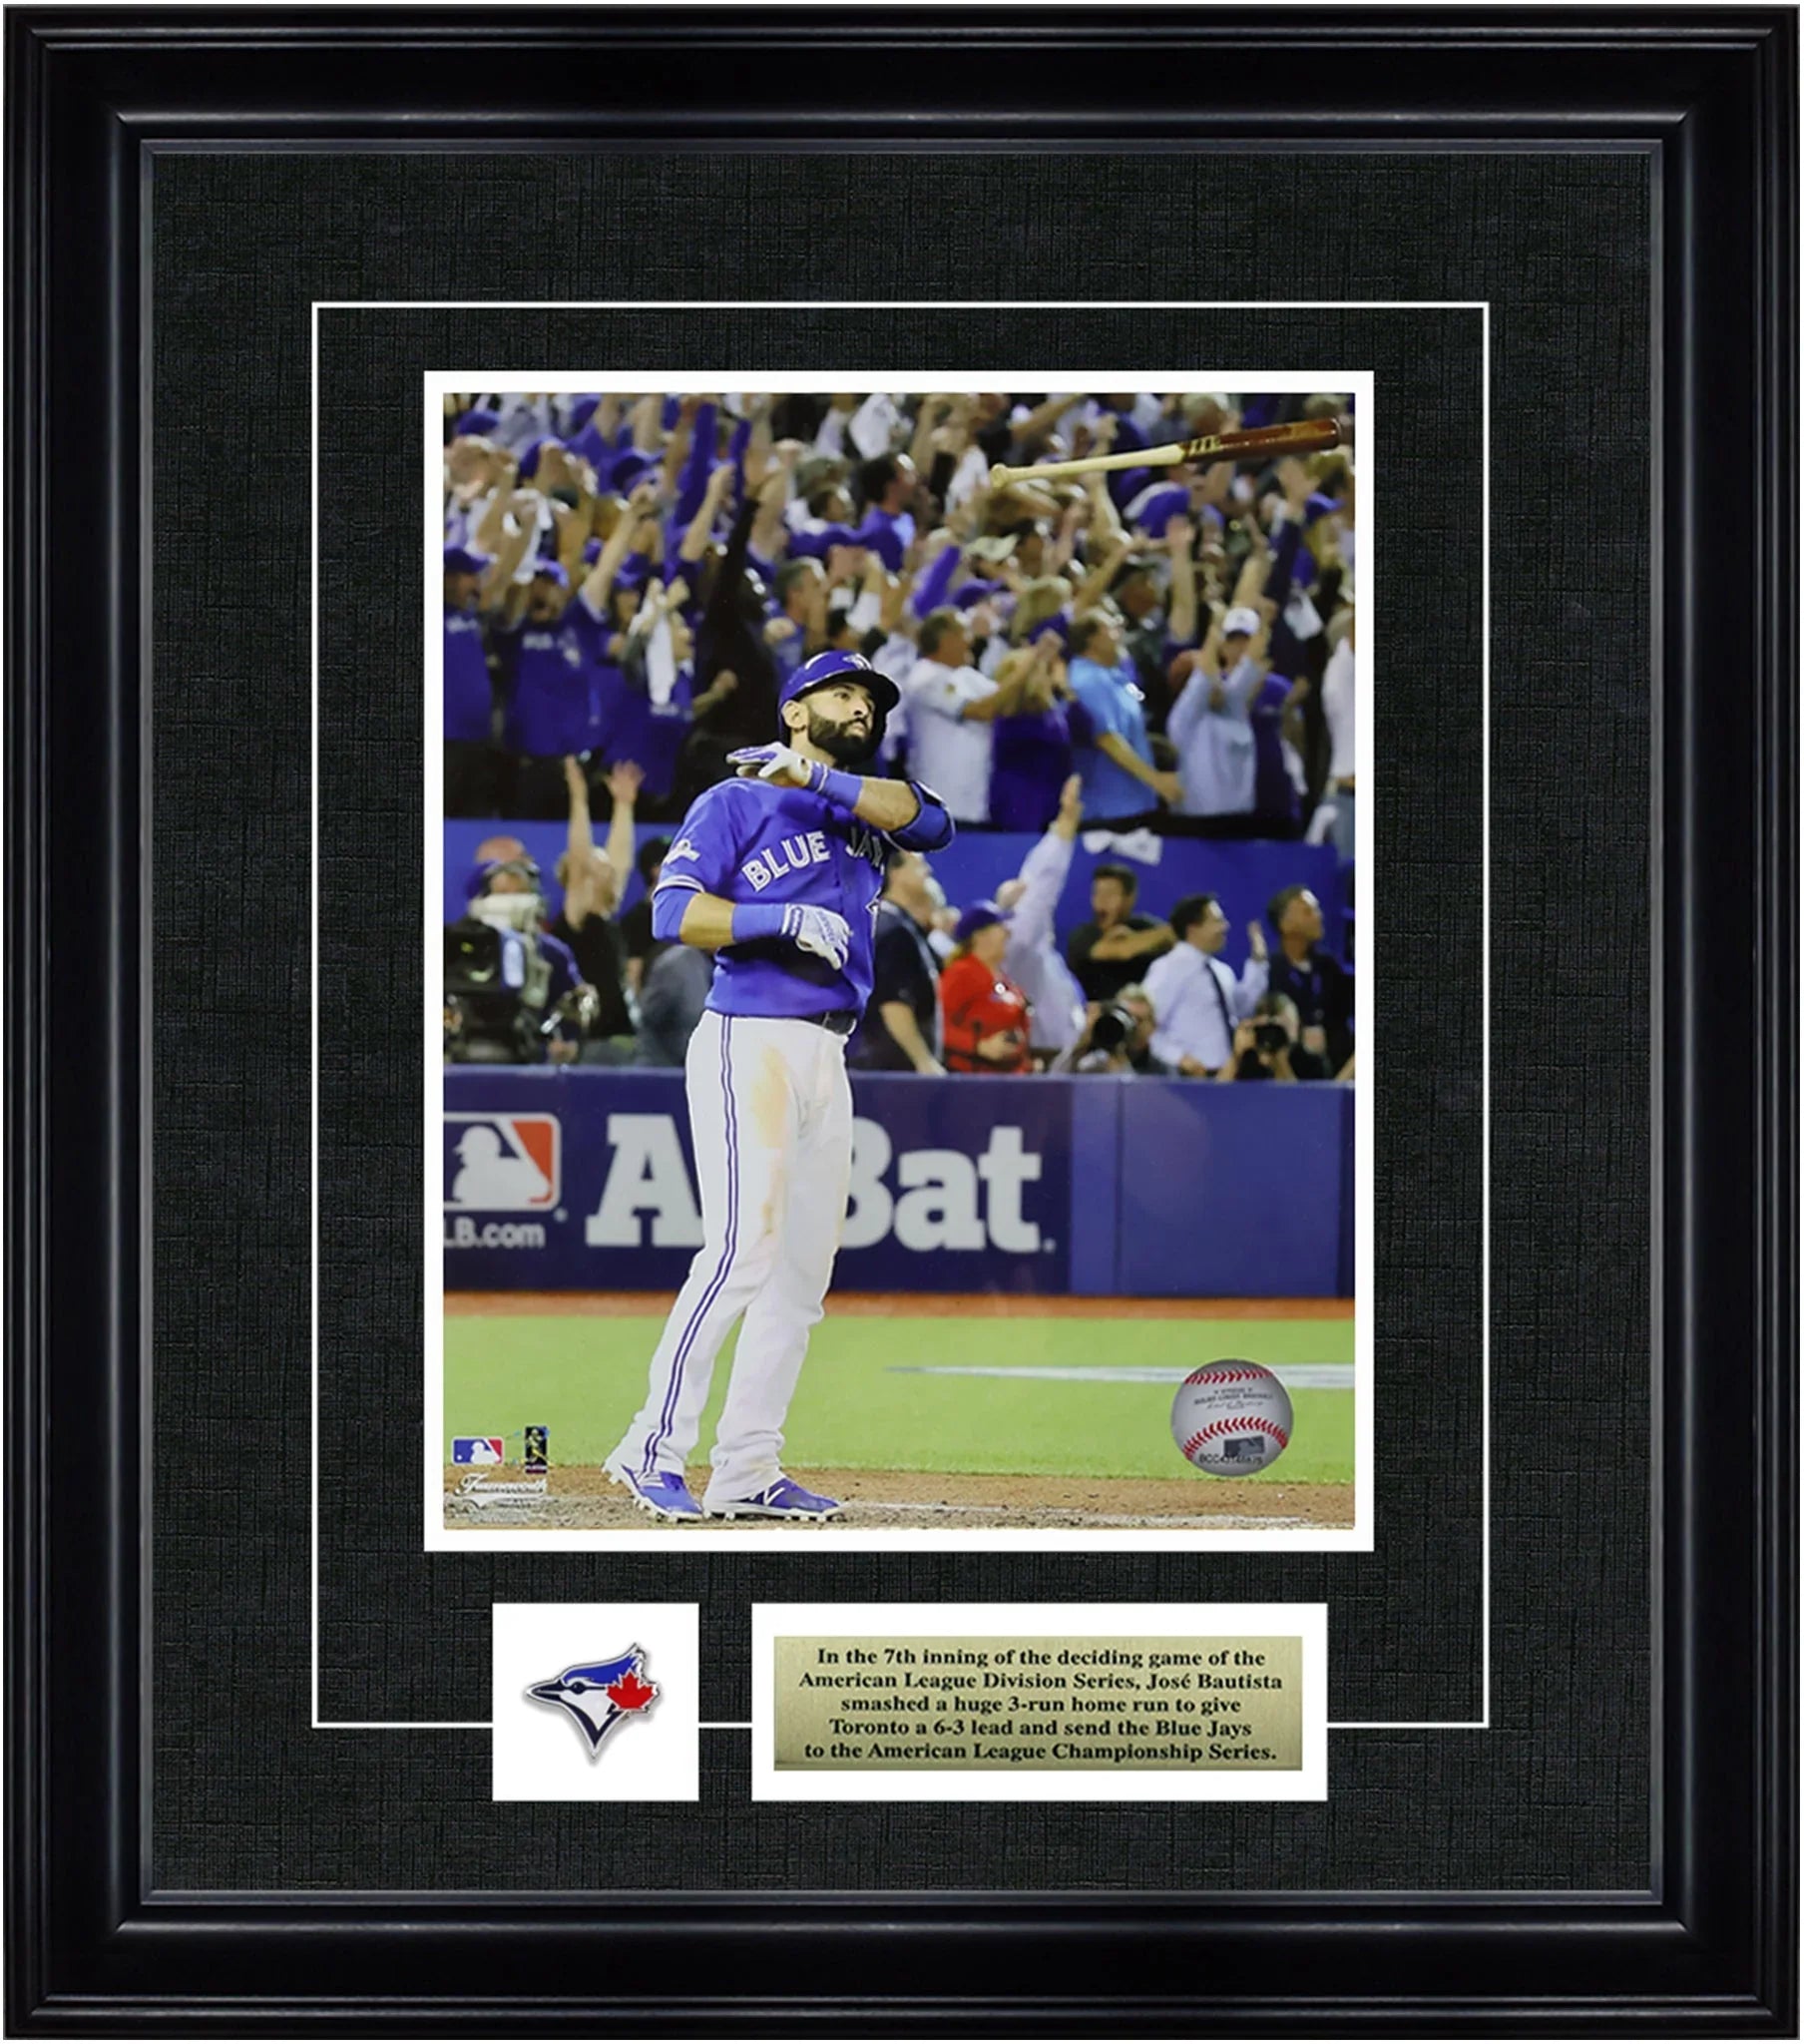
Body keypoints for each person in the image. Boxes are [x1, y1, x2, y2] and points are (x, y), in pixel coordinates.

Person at [602, 650, 953, 1523]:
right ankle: (649, 1447)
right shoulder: (736, 800)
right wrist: (773, 917)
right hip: (748, 1036)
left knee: (802, 1274)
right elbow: (671, 913)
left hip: (829, 1054)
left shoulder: (862, 809)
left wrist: (822, 780)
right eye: (843, 693)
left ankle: (747, 1466)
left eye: (871, 700)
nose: (862, 708)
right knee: (739, 1252)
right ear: (795, 709)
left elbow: (934, 822)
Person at [898, 609, 1029, 826]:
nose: (971, 641)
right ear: (946, 640)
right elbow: (982, 710)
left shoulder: (966, 675)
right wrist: (1027, 667)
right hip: (942, 799)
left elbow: (1005, 702)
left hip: (975, 801)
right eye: (964, 633)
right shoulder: (924, 677)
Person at [549, 756, 639, 1058]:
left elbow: (621, 862)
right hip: (589, 1042)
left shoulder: (606, 918)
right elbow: (579, 859)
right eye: (596, 865)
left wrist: (624, 805)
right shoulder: (576, 919)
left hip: (621, 1037)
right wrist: (579, 797)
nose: (606, 869)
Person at [994, 773, 1088, 1059]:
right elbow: (1041, 888)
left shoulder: (1040, 954)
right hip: (1040, 1057)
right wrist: (1064, 827)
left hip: (1060, 1055)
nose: (1025, 890)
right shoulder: (1018, 947)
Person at [1065, 611, 1181, 826]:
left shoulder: (1114, 676)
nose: (1119, 634)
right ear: (1093, 640)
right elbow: (1106, 738)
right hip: (1108, 807)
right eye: (1111, 628)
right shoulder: (1087, 680)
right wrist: (1155, 780)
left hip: (1132, 800)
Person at [1141, 893, 1271, 1077]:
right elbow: (1146, 1027)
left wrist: (1258, 963)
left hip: (1227, 1075)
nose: (1225, 926)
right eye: (1217, 921)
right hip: (1187, 1080)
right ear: (1193, 928)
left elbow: (1242, 1009)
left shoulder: (1221, 971)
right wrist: (1179, 1058)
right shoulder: (1167, 968)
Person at [851, 850, 945, 1073]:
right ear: (896, 872)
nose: (928, 871)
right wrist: (923, 1060)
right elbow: (893, 1003)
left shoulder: (898, 923)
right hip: (891, 1069)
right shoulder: (892, 928)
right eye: (919, 865)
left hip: (884, 1065)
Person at [1265, 884, 1354, 1079]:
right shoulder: (1270, 972)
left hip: (1338, 1076)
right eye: (1308, 911)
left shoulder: (1329, 967)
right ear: (1285, 924)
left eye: (1317, 909)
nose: (1319, 916)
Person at [938, 902, 1033, 1075]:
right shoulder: (961, 973)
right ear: (980, 935)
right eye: (1000, 927)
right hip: (970, 1079)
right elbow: (938, 1025)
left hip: (1008, 1078)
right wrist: (978, 1045)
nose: (1007, 933)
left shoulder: (1003, 979)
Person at [1065, 861, 1174, 1006]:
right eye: (1097, 893)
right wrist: (1139, 942)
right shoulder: (1083, 935)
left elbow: (1178, 937)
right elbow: (1120, 951)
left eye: (1110, 894)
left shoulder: (1143, 926)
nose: (1101, 901)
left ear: (1130, 898)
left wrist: (1134, 938)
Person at [1219, 992, 1302, 1083]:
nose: (1275, 1032)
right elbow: (1217, 1092)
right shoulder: (1247, 1058)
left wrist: (1280, 1059)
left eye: (1288, 1023)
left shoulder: (1305, 1059)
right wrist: (1236, 1055)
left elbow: (1298, 1095)